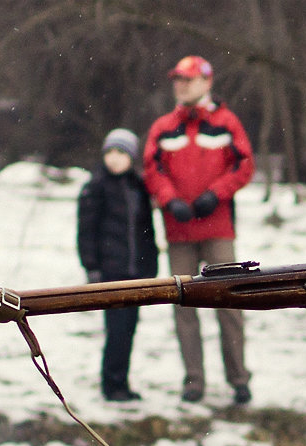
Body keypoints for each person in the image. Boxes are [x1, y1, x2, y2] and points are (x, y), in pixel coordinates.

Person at [143, 55, 255, 405]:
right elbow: (151, 169)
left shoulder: (226, 122)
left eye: (188, 79)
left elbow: (244, 165)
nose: (181, 84)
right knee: (183, 307)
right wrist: (167, 199)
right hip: (178, 233)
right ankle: (194, 381)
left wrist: (215, 195)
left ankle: (238, 379)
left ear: (207, 82)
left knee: (230, 304)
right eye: (178, 79)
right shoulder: (163, 126)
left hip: (218, 229)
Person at [77, 128, 159, 402]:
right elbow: (86, 231)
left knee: (129, 328)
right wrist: (92, 267)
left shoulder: (138, 186)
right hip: (111, 271)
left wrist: (151, 265)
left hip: (136, 271)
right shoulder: (96, 186)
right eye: (110, 152)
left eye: (121, 153)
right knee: (117, 328)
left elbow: (146, 231)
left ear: (132, 157)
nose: (114, 158)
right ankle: (112, 385)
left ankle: (121, 381)